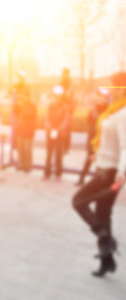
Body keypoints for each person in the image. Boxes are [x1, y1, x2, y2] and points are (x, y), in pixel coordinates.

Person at [72, 72, 126, 277]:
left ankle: (106, 239)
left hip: (111, 173)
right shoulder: (113, 111)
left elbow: (125, 145)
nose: (112, 90)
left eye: (116, 86)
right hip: (104, 167)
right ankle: (107, 261)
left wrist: (121, 172)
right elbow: (108, 140)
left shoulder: (123, 113)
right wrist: (99, 155)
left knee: (78, 201)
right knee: (103, 214)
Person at [76, 88, 109, 185]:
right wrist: (89, 141)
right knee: (89, 159)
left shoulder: (109, 110)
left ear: (105, 98)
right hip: (93, 139)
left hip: (104, 140)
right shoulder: (93, 110)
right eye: (98, 96)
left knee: (101, 162)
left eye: (102, 97)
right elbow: (89, 126)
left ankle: (99, 182)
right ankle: (81, 179)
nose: (100, 98)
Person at [43, 85, 71, 181]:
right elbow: (46, 118)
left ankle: (58, 174)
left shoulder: (65, 107)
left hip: (60, 134)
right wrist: (50, 128)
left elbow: (66, 119)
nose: (56, 97)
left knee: (58, 154)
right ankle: (47, 173)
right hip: (50, 133)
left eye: (58, 95)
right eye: (55, 95)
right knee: (49, 154)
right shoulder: (50, 106)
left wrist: (58, 129)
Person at [14, 93, 37, 172]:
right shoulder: (21, 105)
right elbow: (15, 111)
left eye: (25, 96)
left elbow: (28, 114)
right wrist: (17, 103)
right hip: (20, 130)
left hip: (28, 131)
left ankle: (28, 166)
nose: (23, 98)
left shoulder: (32, 106)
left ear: (28, 97)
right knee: (20, 149)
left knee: (27, 149)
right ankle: (21, 164)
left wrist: (21, 105)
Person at [60, 68, 76, 154]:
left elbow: (69, 96)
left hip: (68, 109)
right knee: (60, 128)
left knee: (67, 129)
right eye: (63, 74)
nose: (63, 76)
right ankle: (60, 146)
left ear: (68, 74)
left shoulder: (71, 85)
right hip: (60, 109)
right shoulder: (60, 84)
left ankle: (66, 148)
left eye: (65, 74)